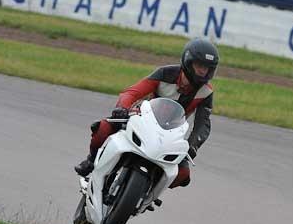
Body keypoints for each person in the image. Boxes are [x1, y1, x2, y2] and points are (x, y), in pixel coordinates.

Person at [74, 38, 219, 189]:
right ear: (188, 61)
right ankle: (91, 161)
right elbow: (132, 92)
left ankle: (147, 189)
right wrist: (123, 108)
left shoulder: (206, 92)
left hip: (171, 134)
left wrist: (192, 146)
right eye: (199, 65)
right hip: (143, 119)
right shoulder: (165, 73)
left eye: (207, 68)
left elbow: (203, 125)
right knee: (103, 127)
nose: (203, 71)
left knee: (183, 175)